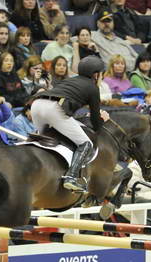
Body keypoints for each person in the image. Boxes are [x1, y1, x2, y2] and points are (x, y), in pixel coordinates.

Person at [31, 55, 110, 192]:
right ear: (96, 75)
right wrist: (102, 119)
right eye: (102, 74)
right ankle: (71, 177)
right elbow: (96, 124)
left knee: (44, 140)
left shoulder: (70, 80)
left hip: (37, 104)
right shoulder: (93, 88)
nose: (102, 78)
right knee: (86, 144)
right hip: (54, 110)